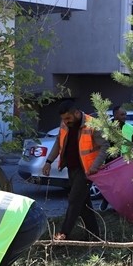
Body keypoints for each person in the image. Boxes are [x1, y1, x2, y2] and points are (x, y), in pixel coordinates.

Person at [41, 101, 106, 241]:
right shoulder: (65, 124)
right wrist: (48, 161)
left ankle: (63, 235)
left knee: (74, 200)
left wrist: (95, 166)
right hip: (72, 168)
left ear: (76, 113)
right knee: (84, 204)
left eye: (68, 118)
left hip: (87, 170)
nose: (65, 121)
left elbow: (104, 146)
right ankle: (94, 236)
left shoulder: (92, 124)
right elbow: (59, 143)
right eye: (63, 119)